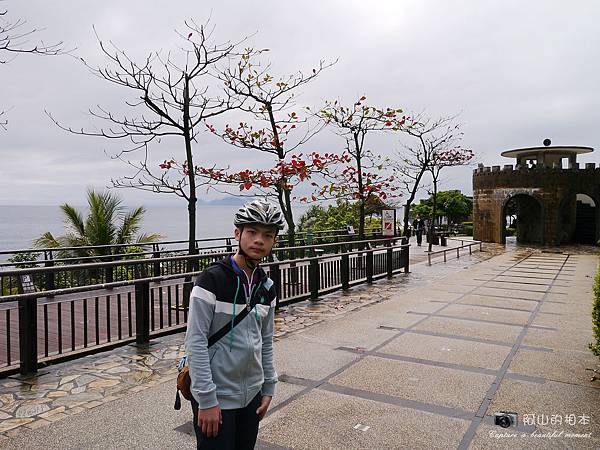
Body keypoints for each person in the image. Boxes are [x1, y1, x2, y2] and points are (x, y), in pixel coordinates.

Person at [185, 199, 283, 450]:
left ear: (274, 241)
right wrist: (207, 400)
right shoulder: (212, 280)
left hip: (252, 397)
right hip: (216, 398)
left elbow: (266, 341)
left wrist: (268, 387)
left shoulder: (267, 288)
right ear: (237, 234)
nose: (259, 240)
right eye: (252, 232)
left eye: (267, 235)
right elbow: (195, 342)